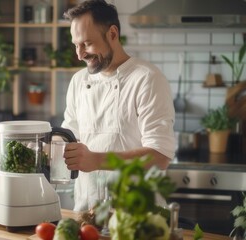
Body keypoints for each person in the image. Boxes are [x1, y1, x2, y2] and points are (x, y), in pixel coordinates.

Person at [61, 0, 176, 211]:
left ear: (113, 34)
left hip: (138, 217)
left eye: (86, 43)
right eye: (76, 45)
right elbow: (70, 137)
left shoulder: (147, 79)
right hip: (88, 213)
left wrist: (96, 160)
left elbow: (159, 156)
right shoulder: (78, 81)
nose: (79, 54)